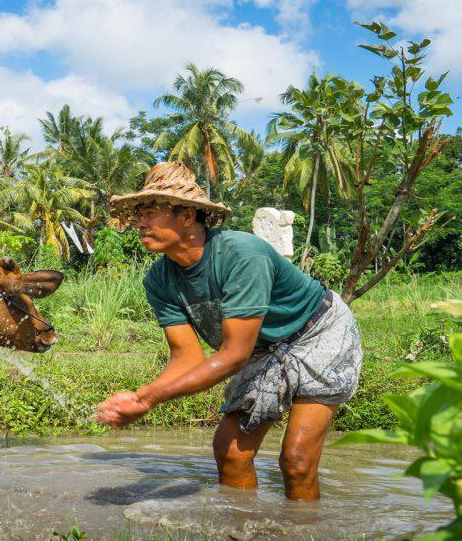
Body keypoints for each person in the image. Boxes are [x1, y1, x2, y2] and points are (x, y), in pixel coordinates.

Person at [94, 162, 362, 500]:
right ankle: (240, 535)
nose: (140, 223)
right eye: (139, 215)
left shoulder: (241, 254)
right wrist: (138, 395)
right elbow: (187, 357)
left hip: (317, 332)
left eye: (151, 212)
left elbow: (234, 356)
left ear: (188, 216)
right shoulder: (159, 280)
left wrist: (148, 400)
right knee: (231, 452)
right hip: (263, 348)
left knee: (296, 459)